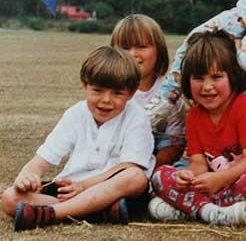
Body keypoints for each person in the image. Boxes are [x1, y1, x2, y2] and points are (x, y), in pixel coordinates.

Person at [2, 47, 155, 231]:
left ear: (131, 93)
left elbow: (129, 167)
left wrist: (84, 186)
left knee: (136, 177)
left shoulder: (136, 116)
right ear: (84, 85)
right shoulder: (76, 113)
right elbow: (41, 160)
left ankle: (53, 214)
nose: (106, 100)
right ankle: (96, 212)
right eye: (97, 90)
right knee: (11, 198)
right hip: (70, 190)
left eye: (117, 93)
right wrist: (27, 177)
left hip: (114, 192)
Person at [148, 30, 246, 226]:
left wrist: (220, 178)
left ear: (232, 77)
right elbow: (198, 162)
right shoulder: (193, 117)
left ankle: (191, 209)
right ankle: (211, 211)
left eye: (216, 77)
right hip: (214, 187)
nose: (207, 86)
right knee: (161, 175)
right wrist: (189, 176)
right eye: (198, 78)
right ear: (187, 81)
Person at [111, 14, 185, 168]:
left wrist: (147, 169)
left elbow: (173, 146)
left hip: (155, 159)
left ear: (159, 51)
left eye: (142, 46)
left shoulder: (169, 91)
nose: (132, 53)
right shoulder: (109, 91)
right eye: (125, 48)